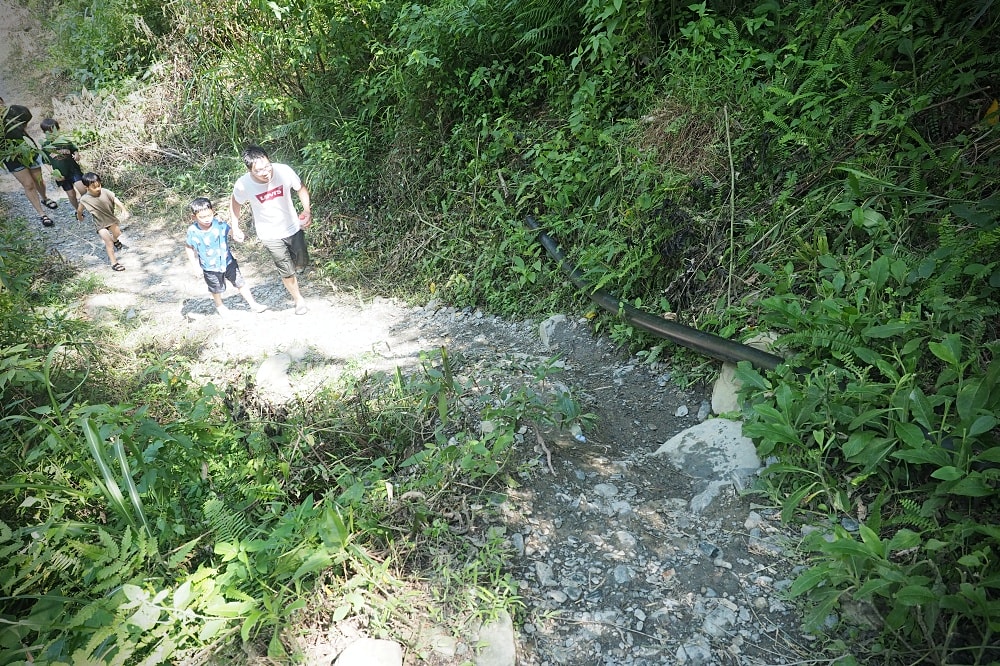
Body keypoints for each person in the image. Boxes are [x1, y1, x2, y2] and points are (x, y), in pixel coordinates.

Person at [230, 145, 312, 315]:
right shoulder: (243, 184)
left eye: (267, 166)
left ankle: (297, 268)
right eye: (259, 170)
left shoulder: (284, 171)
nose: (266, 172)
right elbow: (235, 203)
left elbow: (301, 188)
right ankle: (298, 300)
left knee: (302, 260)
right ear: (250, 170)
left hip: (292, 226)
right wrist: (235, 226)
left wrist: (306, 210)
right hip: (269, 234)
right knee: (285, 268)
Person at [185, 197, 268, 317]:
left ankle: (253, 304)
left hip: (228, 262)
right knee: (216, 288)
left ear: (213, 211)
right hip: (210, 267)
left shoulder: (220, 225)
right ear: (194, 217)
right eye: (202, 217)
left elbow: (232, 232)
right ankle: (220, 305)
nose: (207, 219)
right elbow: (188, 247)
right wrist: (194, 265)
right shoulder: (193, 231)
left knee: (240, 282)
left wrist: (238, 235)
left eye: (209, 215)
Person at [1, 96, 59, 227]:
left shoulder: (13, 111)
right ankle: (42, 214)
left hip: (29, 150)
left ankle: (44, 198)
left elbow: (26, 114)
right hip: (11, 158)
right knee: (28, 184)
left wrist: (21, 127)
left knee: (38, 179)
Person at [76, 172, 128, 272]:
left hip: (110, 219)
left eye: (99, 185)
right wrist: (79, 217)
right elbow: (79, 210)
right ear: (86, 187)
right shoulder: (85, 199)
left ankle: (115, 240)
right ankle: (114, 263)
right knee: (108, 242)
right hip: (100, 223)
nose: (98, 188)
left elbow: (115, 199)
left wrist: (124, 210)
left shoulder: (105, 191)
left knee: (117, 233)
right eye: (94, 187)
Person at [40, 118, 86, 212]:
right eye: (49, 132)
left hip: (73, 170)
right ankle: (78, 211)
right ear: (45, 133)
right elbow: (45, 162)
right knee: (71, 195)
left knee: (82, 189)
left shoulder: (65, 141)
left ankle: (90, 205)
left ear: (58, 129)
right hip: (61, 175)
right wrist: (54, 174)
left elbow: (74, 149)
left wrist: (77, 155)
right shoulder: (46, 146)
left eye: (54, 131)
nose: (52, 134)